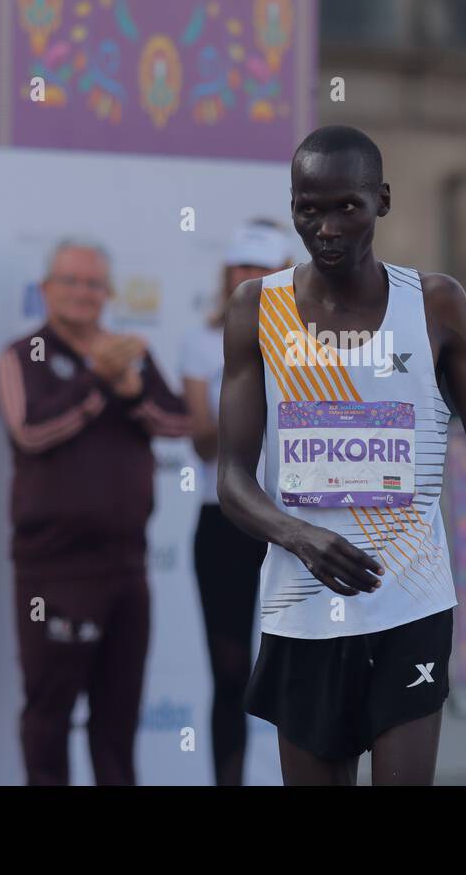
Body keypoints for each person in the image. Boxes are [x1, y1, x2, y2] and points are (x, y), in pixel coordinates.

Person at [217, 125, 466, 786]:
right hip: (302, 615)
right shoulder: (257, 309)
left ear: (383, 202)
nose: (328, 226)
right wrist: (299, 535)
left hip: (410, 609)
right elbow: (230, 477)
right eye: (309, 208)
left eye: (348, 206)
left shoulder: (435, 306)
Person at [0, 238, 190, 785]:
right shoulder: (23, 354)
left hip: (126, 568)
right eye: (71, 281)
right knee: (48, 715)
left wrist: (129, 389)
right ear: (46, 290)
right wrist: (96, 382)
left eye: (94, 283)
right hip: (52, 571)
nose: (83, 293)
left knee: (118, 720)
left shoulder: (129, 350)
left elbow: (178, 423)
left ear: (108, 293)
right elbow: (30, 430)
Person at [179, 220, 293, 786]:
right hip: (224, 519)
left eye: (262, 268)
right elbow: (201, 439)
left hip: (295, 525)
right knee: (229, 674)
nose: (250, 279)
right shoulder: (203, 342)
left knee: (300, 667)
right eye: (241, 269)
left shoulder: (317, 343)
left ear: (285, 273)